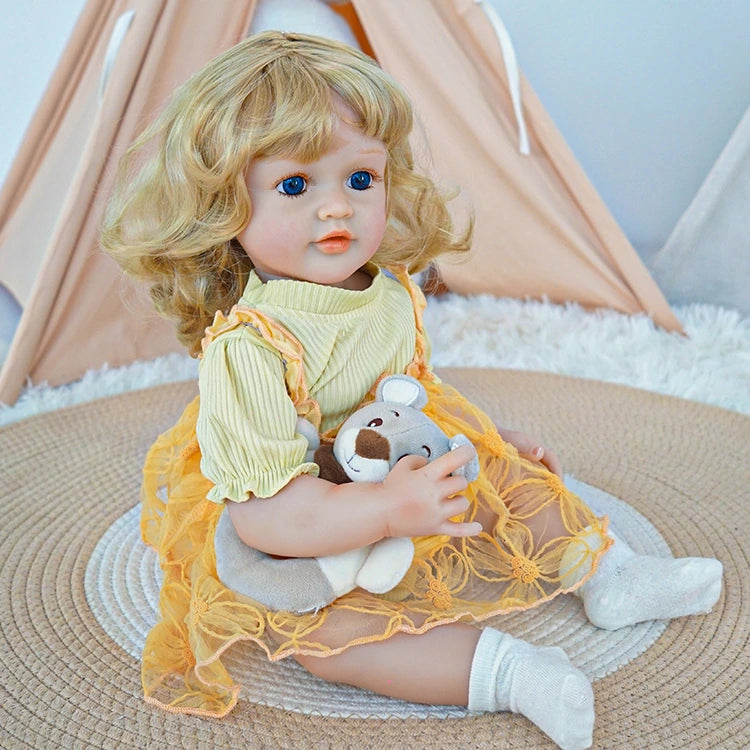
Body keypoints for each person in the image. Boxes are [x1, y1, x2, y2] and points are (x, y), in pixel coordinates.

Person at [101, 32, 723, 750]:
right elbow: (264, 520)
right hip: (298, 508)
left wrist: (479, 442)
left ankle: (609, 575)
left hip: (384, 458)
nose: (337, 210)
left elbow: (410, 396)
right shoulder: (249, 350)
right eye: (296, 186)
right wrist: (381, 510)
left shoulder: (389, 292)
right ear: (225, 206)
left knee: (512, 478)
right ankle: (513, 673)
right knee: (322, 639)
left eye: (359, 179)